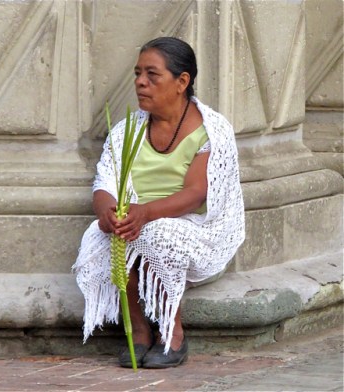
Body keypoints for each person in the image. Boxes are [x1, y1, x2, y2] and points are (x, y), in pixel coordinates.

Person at [72, 37, 245, 369]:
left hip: (194, 229)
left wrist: (145, 214)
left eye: (152, 74)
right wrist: (108, 214)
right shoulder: (125, 132)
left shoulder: (212, 131)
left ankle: (172, 333)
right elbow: (104, 183)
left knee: (157, 235)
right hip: (137, 223)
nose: (140, 82)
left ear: (182, 82)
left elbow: (196, 193)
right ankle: (138, 331)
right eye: (138, 73)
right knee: (103, 236)